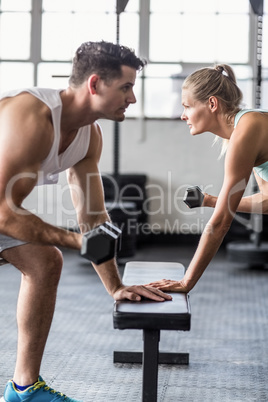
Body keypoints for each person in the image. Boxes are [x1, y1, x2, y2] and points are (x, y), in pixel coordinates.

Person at [0, 41, 172, 402]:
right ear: (94, 85)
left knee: (45, 262)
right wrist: (76, 241)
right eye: (126, 87)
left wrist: (115, 287)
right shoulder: (30, 116)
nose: (133, 99)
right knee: (50, 252)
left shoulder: (89, 135)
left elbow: (93, 216)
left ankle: (24, 390)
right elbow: (3, 211)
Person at [148, 64, 268, 293]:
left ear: (212, 104)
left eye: (187, 106)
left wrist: (186, 282)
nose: (183, 115)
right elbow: (267, 201)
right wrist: (212, 201)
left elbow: (221, 222)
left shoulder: (246, 131)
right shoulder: (247, 128)